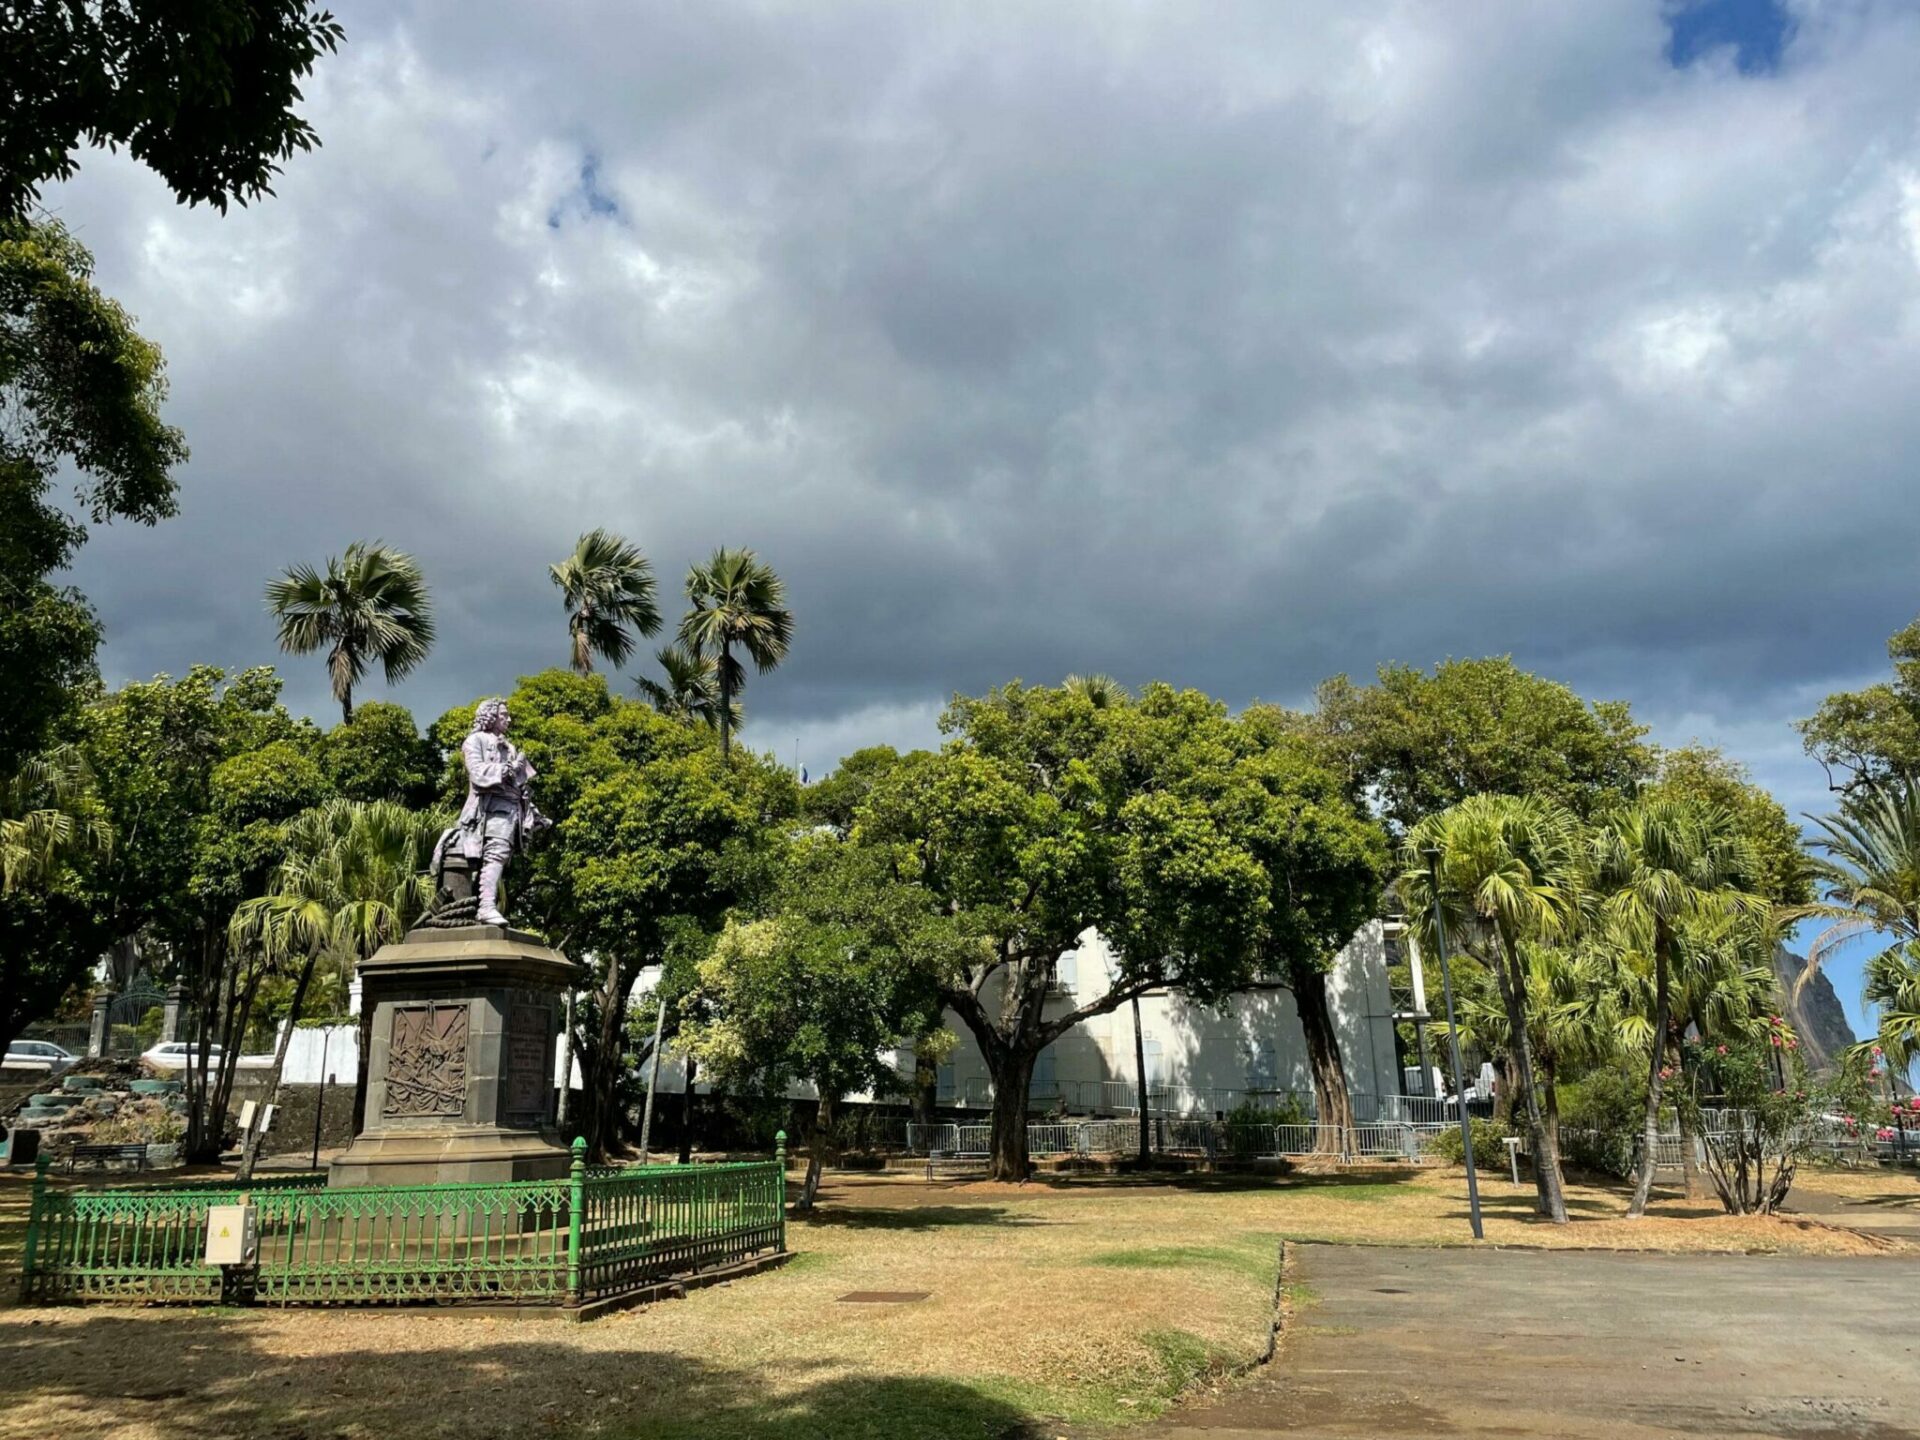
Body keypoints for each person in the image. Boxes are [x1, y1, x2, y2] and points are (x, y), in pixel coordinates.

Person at [455, 698, 549, 927]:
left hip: (511, 808)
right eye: (503, 715)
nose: (508, 719)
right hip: (489, 808)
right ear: (490, 716)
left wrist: (535, 814)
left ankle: (485, 904)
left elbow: (520, 787)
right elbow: (477, 773)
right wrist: (507, 770)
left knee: (502, 856)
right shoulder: (474, 740)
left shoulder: (510, 747)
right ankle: (486, 906)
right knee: (495, 853)